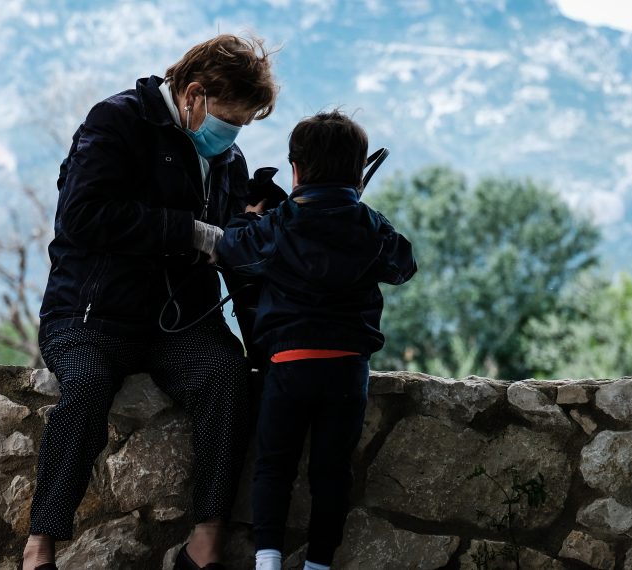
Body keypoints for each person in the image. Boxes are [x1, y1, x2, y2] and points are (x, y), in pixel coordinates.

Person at [23, 35, 278, 570]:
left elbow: (223, 233)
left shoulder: (228, 157)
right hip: (91, 314)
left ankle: (205, 542)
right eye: (228, 117)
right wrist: (189, 232)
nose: (231, 134)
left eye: (243, 125)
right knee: (87, 388)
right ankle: (40, 546)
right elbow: (82, 216)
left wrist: (244, 233)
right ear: (193, 94)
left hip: (181, 323)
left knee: (227, 376)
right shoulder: (115, 121)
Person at [212, 110, 417, 570]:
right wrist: (366, 212)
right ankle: (319, 563)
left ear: (296, 170)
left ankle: (267, 560)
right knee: (331, 471)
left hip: (288, 363)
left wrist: (247, 217)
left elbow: (231, 248)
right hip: (347, 367)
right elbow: (403, 265)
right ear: (357, 170)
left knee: (274, 464)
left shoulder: (280, 222)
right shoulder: (369, 224)